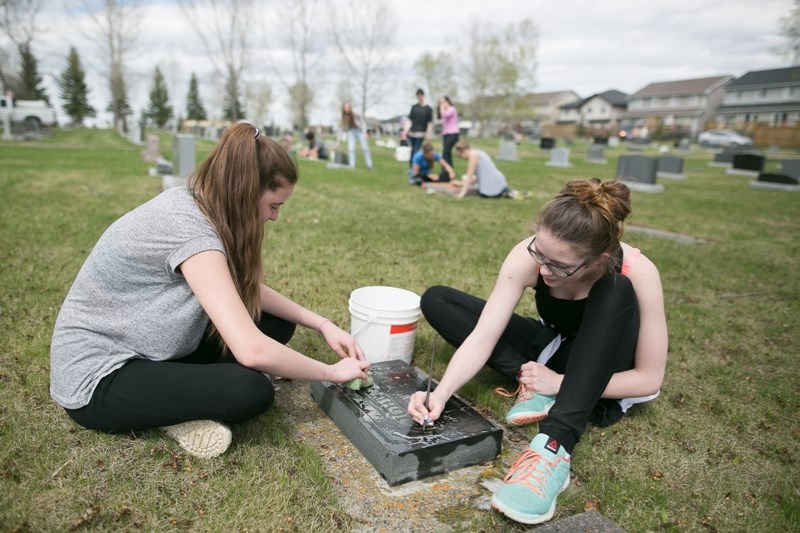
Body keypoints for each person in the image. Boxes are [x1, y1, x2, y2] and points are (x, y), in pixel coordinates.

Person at [50, 122, 370, 459]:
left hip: (144, 342)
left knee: (275, 324)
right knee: (250, 389)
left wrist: (322, 324)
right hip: (101, 375)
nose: (274, 217)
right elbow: (252, 352)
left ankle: (178, 394)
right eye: (274, 205)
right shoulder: (190, 230)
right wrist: (331, 373)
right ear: (246, 192)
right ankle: (170, 412)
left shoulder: (197, 202)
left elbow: (242, 290)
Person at [407, 178, 667, 525]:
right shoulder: (531, 255)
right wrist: (441, 392)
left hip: (604, 370)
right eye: (539, 255)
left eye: (558, 266)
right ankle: (527, 376)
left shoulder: (639, 273)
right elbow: (484, 335)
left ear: (598, 258)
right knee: (437, 299)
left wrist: (560, 383)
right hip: (553, 346)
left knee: (616, 289)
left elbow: (648, 379)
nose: (543, 271)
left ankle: (553, 448)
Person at [423, 141, 520, 199]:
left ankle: (428, 185)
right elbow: (481, 175)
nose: (461, 158)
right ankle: (506, 193)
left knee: (455, 190)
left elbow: (469, 177)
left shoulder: (473, 156)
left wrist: (461, 194)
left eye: (460, 155)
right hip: (499, 184)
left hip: (491, 190)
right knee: (462, 186)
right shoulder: (479, 152)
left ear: (463, 151)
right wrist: (462, 183)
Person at [402, 88, 433, 182]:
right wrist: (405, 131)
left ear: (423, 96)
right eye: (418, 96)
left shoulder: (428, 109)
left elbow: (429, 123)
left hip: (421, 133)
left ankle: (416, 169)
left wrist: (428, 133)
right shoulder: (414, 107)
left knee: (417, 151)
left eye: (421, 95)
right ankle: (411, 168)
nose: (419, 97)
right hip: (412, 133)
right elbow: (410, 120)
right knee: (412, 151)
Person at [337, 100, 373, 170]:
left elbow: (363, 122)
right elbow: (340, 130)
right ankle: (351, 166)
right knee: (351, 149)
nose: (347, 108)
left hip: (359, 131)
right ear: (343, 108)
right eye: (346, 107)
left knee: (365, 148)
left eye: (348, 107)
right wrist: (338, 141)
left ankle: (369, 165)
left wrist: (365, 132)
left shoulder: (355, 114)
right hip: (351, 132)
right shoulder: (343, 117)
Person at [438, 96, 459, 181]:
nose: (442, 104)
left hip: (453, 133)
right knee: (447, 154)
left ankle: (446, 174)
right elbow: (440, 117)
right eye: (440, 102)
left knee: (445, 153)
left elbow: (444, 115)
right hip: (446, 134)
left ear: (448, 101)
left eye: (443, 102)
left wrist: (442, 108)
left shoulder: (452, 109)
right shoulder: (445, 110)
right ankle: (449, 174)